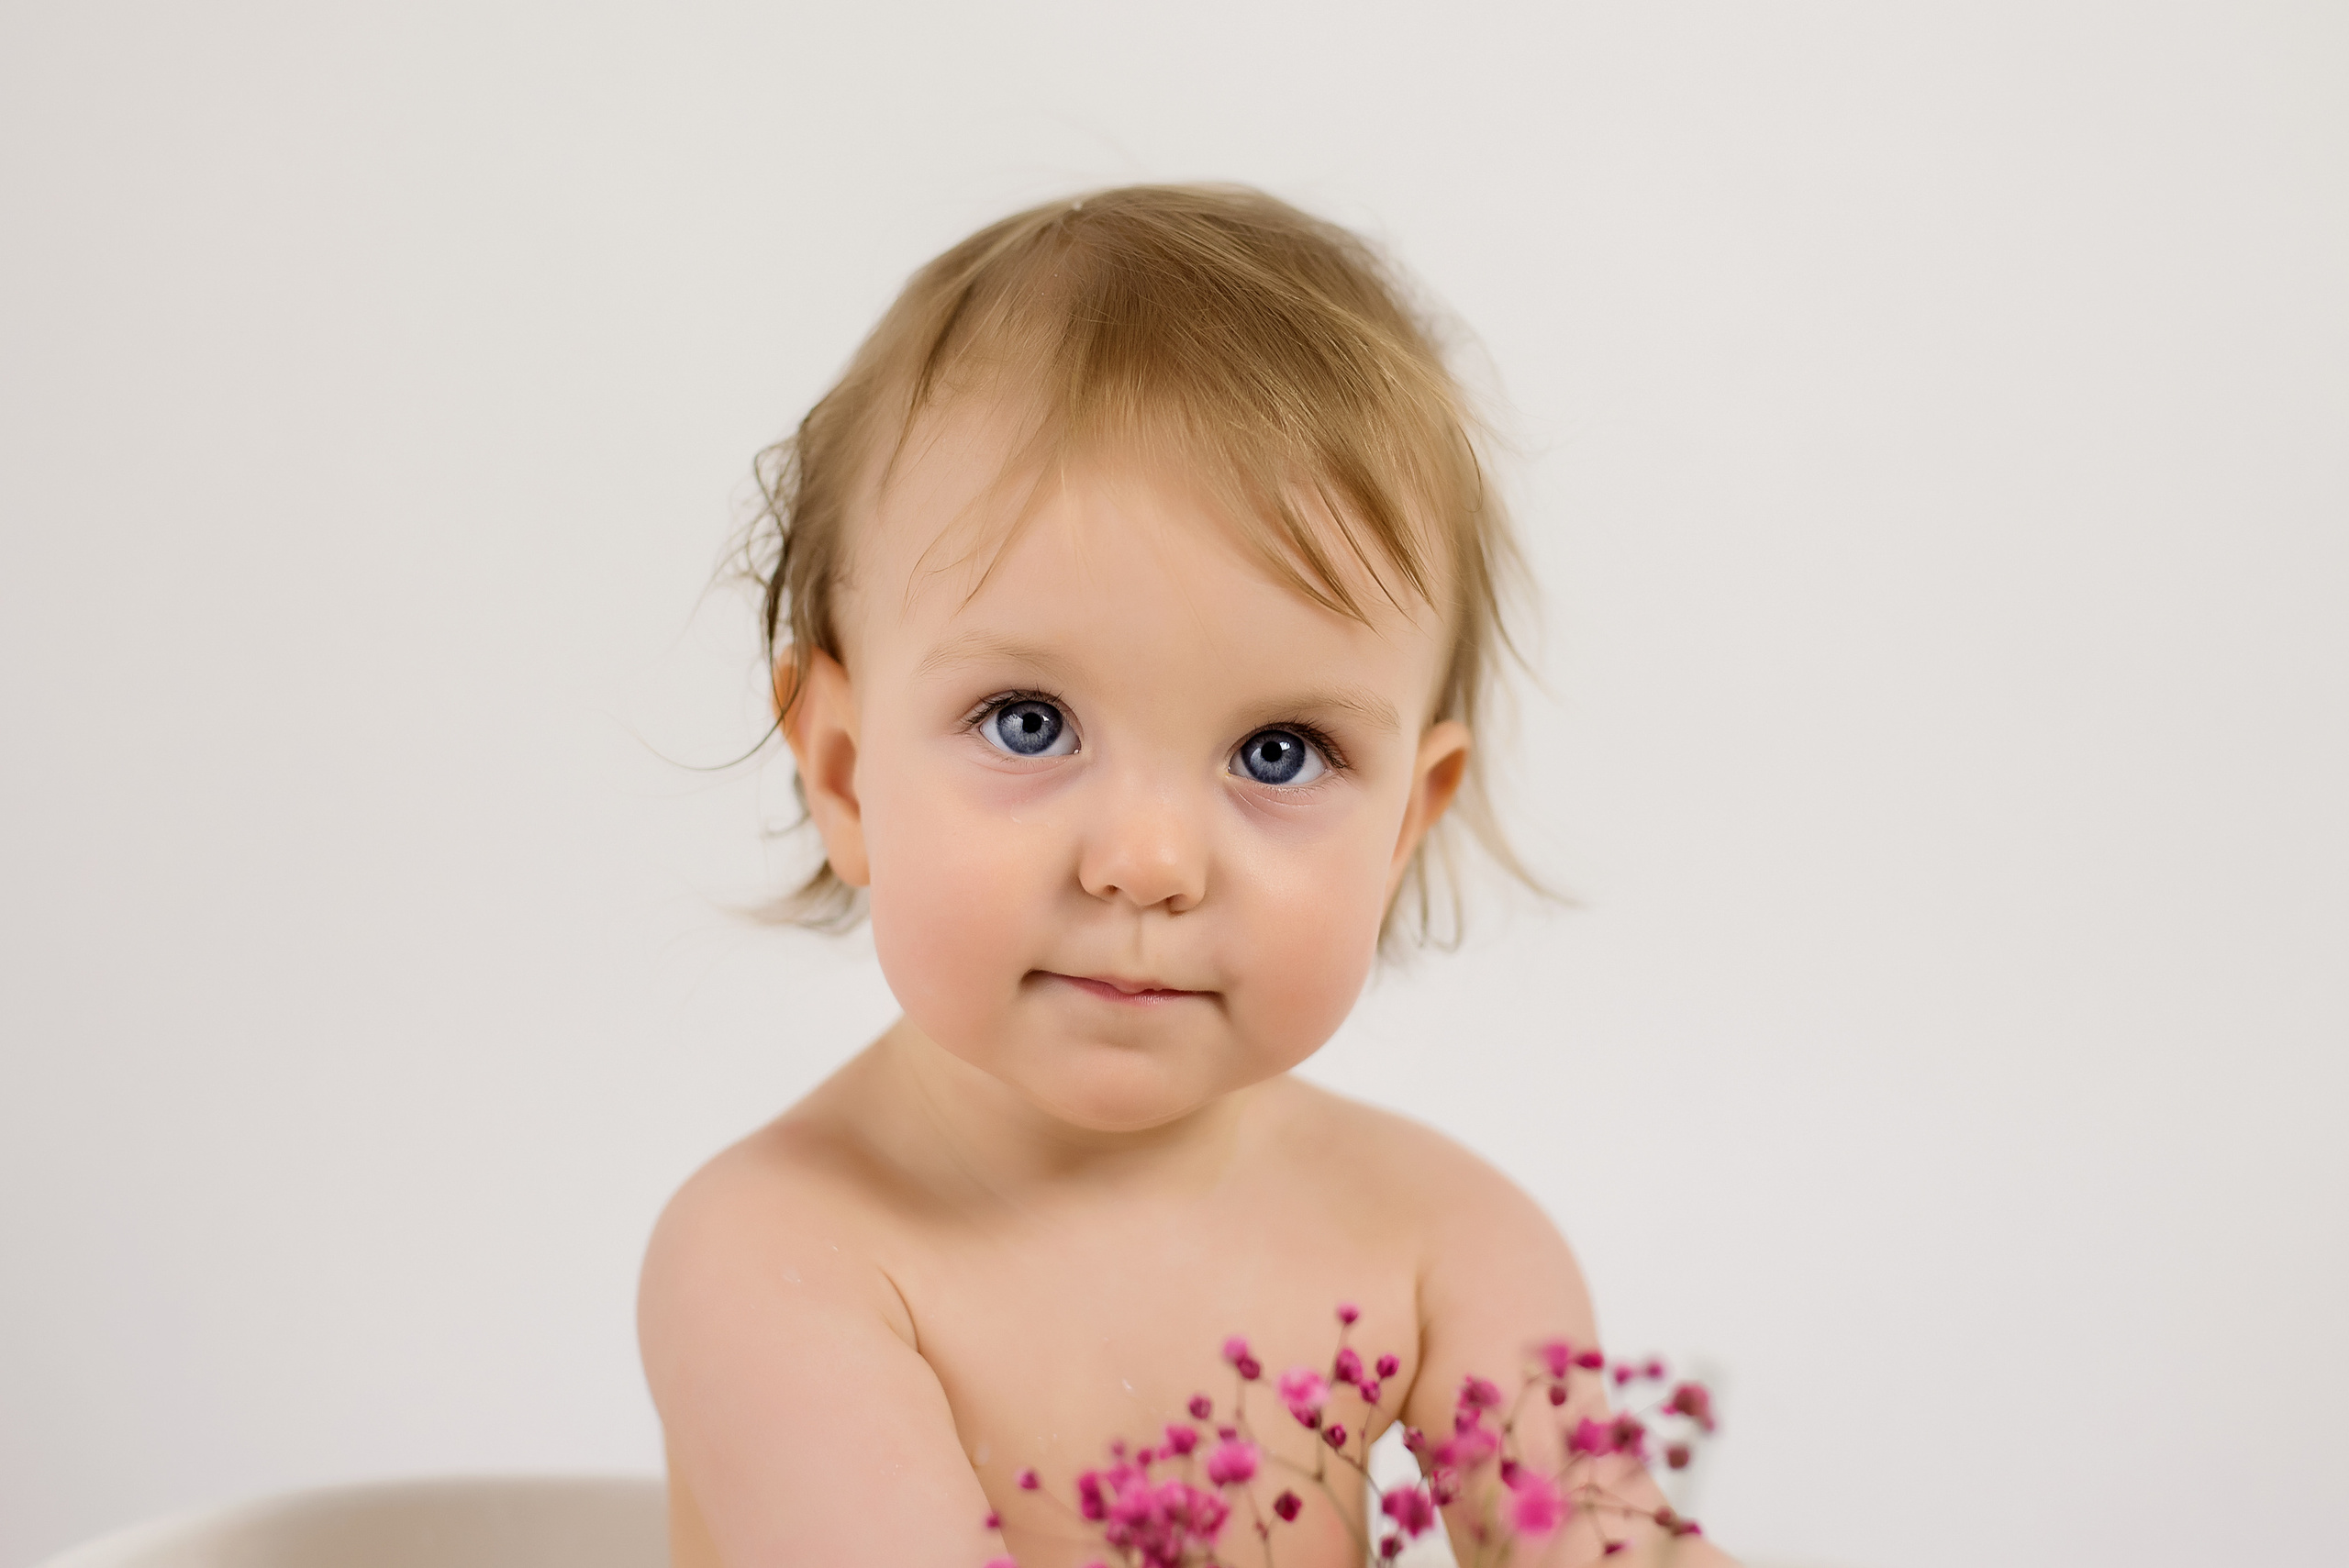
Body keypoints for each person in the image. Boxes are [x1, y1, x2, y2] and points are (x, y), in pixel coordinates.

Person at [637, 184, 1735, 1568]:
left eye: (1281, 752)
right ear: (848, 775)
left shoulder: (1445, 1243)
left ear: (1404, 823)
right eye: (1028, 722)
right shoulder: (778, 1257)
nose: (1148, 864)